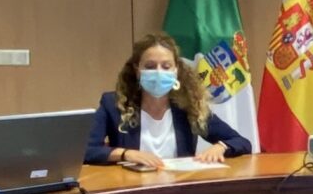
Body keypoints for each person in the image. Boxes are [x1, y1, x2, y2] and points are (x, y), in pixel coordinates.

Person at [89, 32, 254, 170]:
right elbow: (87, 150)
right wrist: (126, 154)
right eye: (150, 66)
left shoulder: (189, 106)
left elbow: (242, 142)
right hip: (132, 191)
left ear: (176, 70)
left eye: (166, 67)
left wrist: (221, 147)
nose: (158, 72)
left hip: (177, 190)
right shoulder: (113, 105)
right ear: (137, 70)